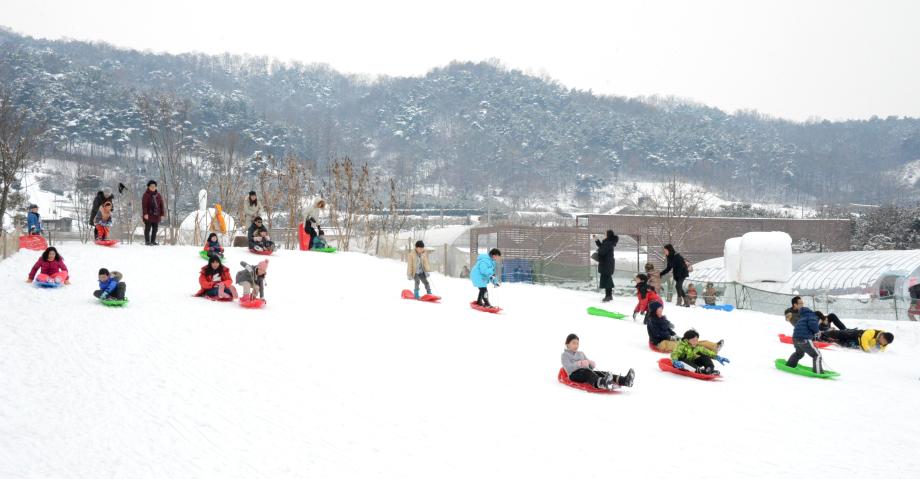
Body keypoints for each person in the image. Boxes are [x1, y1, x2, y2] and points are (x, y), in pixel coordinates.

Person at [561, 334, 635, 390]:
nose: (576, 345)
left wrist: (591, 364)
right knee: (587, 373)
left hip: (585, 371)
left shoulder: (581, 353)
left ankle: (624, 380)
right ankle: (601, 383)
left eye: (577, 343)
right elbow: (568, 368)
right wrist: (579, 363)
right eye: (574, 343)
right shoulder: (564, 355)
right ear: (567, 344)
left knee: (601, 373)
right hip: (574, 375)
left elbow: (588, 365)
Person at [646, 300, 722, 353]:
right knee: (684, 346)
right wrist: (670, 337)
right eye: (659, 308)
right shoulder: (652, 321)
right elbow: (657, 334)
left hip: (668, 339)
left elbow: (668, 330)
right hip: (660, 343)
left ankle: (714, 346)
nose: (661, 310)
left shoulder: (662, 318)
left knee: (690, 341)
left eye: (661, 308)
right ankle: (705, 351)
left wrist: (674, 335)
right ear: (654, 310)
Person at [785, 304, 824, 374]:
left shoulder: (802, 319)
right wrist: (817, 331)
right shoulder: (812, 316)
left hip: (795, 339)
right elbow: (813, 325)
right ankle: (818, 371)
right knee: (817, 355)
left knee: (799, 353)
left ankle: (790, 365)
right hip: (804, 339)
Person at [593, 230, 619, 302]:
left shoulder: (608, 243)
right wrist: (597, 240)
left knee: (607, 280)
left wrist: (598, 251)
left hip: (606, 264)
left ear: (608, 235)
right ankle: (609, 295)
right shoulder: (608, 242)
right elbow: (602, 247)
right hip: (607, 264)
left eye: (605, 233)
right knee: (607, 279)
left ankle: (608, 296)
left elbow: (602, 251)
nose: (604, 234)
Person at [818, 329, 893, 352]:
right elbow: (864, 341)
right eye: (884, 341)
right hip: (855, 334)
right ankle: (821, 333)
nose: (884, 344)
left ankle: (826, 340)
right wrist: (868, 350)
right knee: (838, 334)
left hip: (856, 343)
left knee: (841, 343)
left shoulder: (883, 344)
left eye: (886, 343)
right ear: (882, 337)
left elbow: (880, 350)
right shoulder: (872, 332)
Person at [142, 180, 165, 245]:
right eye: (151, 186)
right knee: (148, 228)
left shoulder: (158, 195)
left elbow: (161, 204)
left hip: (156, 215)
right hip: (149, 214)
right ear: (148, 187)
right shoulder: (146, 195)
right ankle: (147, 241)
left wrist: (162, 213)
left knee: (155, 229)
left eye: (154, 186)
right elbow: (144, 205)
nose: (153, 187)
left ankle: (153, 241)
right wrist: (145, 214)